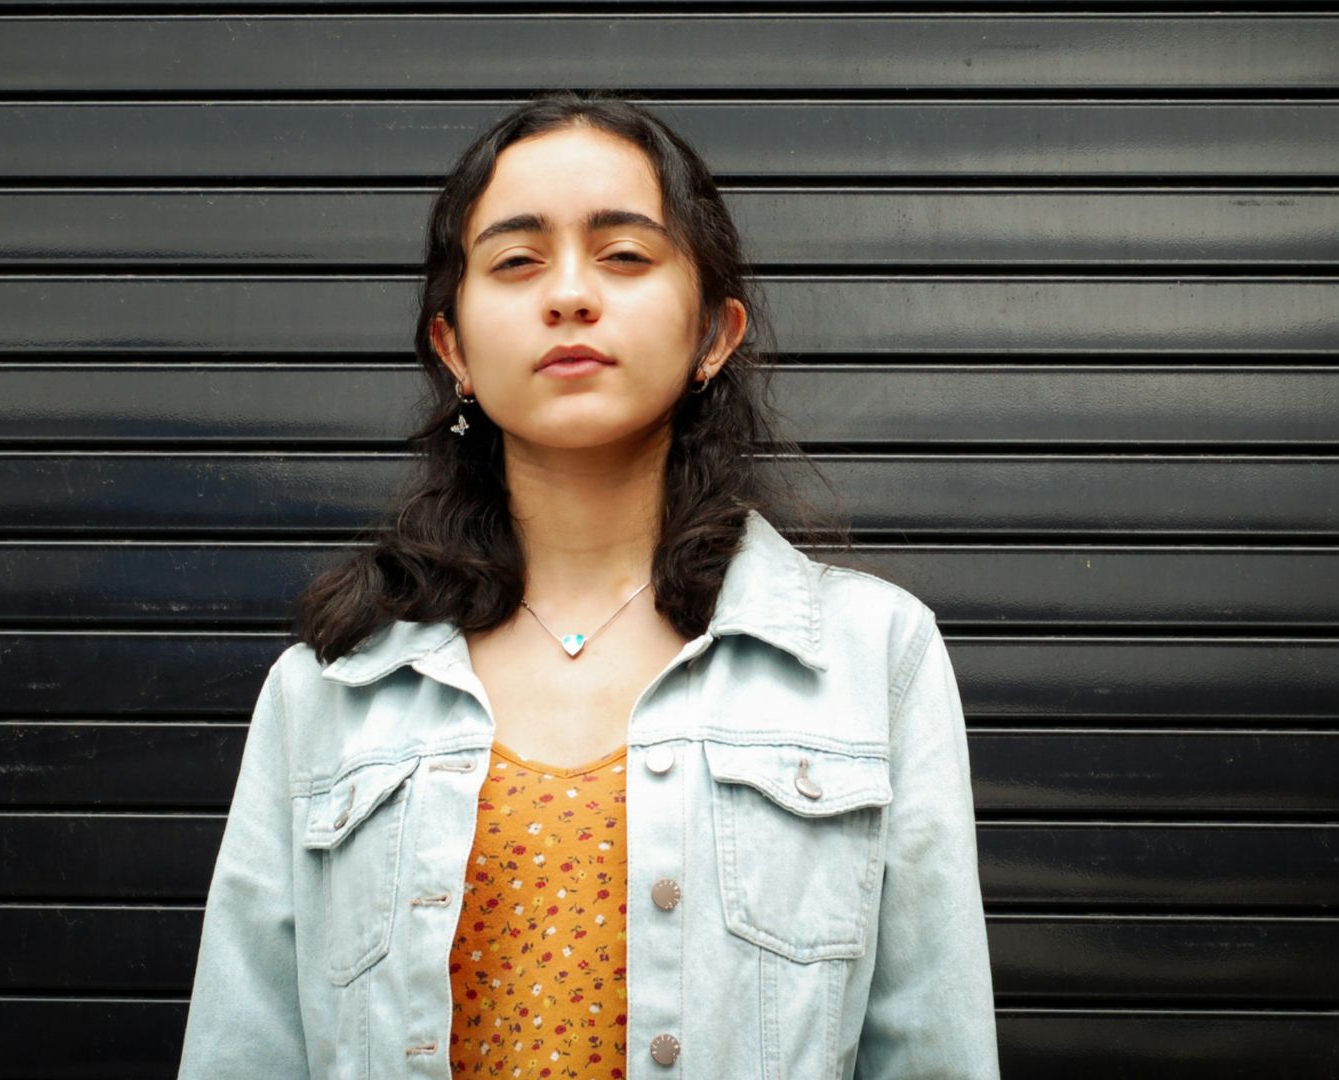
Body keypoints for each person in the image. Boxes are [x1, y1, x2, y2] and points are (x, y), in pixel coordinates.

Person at [177, 90, 998, 1079]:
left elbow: (933, 1050)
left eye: (624, 255)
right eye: (517, 261)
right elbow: (245, 1045)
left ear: (713, 333)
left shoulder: (872, 656)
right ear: (453, 348)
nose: (569, 295)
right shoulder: (329, 689)